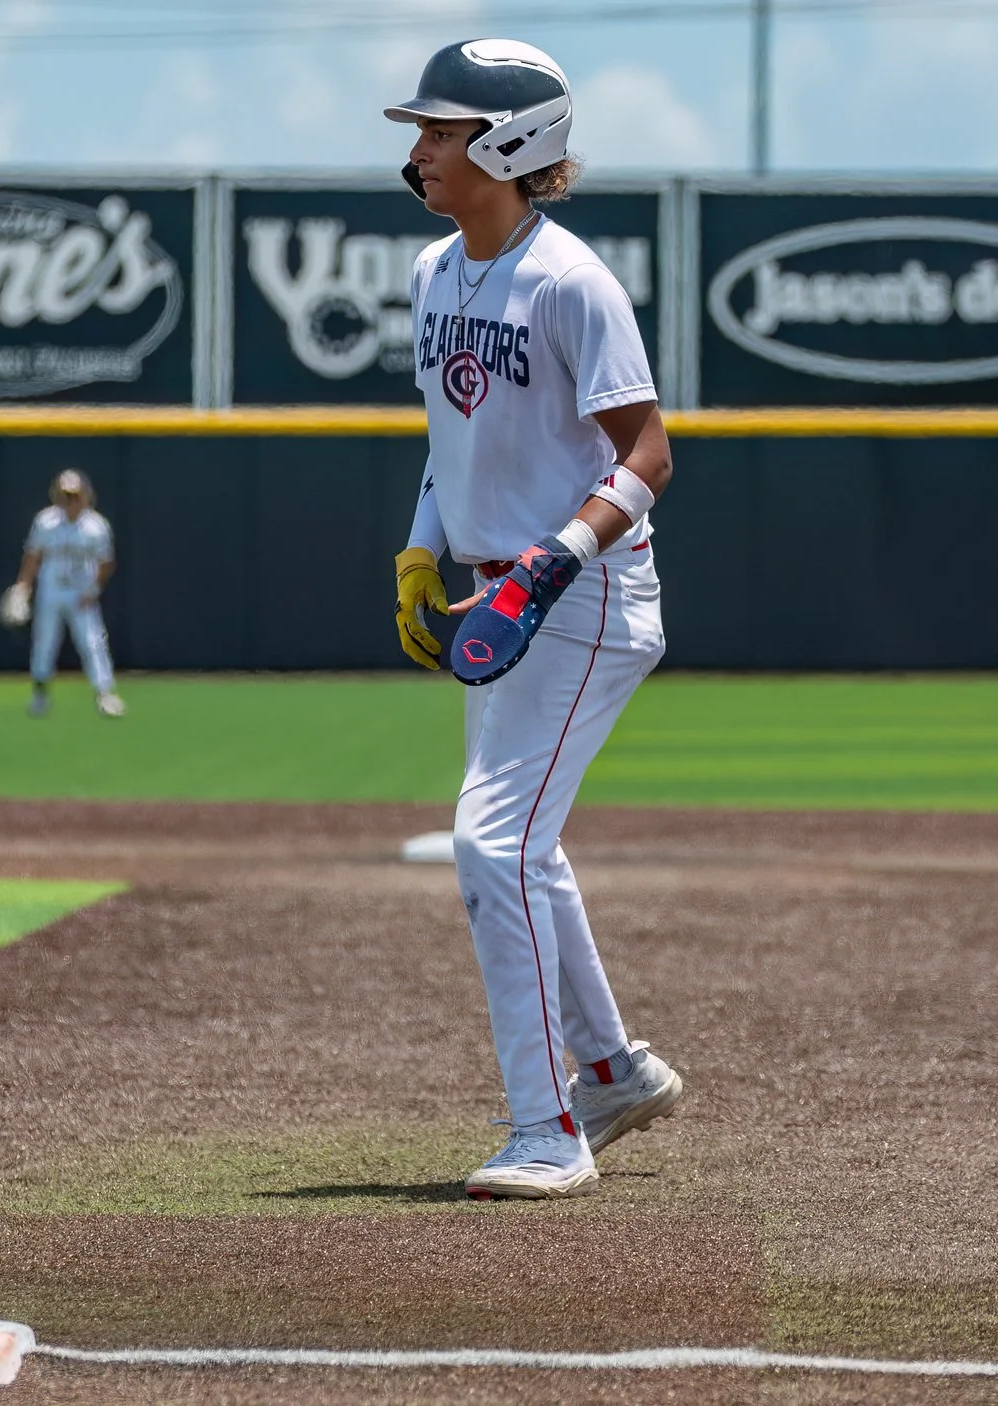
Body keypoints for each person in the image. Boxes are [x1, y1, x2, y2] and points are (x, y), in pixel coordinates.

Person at [386, 39, 685, 1200]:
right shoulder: (434, 271)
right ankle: (611, 1072)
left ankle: (546, 1129)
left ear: (510, 145)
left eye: (441, 131)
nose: (420, 150)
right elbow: (450, 440)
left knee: (491, 843)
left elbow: (647, 455)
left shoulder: (569, 282)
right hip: (495, 595)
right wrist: (423, 548)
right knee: (526, 847)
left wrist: (548, 564)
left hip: (582, 596)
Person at [14, 469, 125, 719]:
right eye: (64, 495)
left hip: (81, 592)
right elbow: (33, 556)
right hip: (51, 589)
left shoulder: (96, 526)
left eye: (75, 495)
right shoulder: (45, 521)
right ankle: (40, 694)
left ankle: (105, 694)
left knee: (93, 642)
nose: (70, 500)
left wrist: (93, 590)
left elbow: (106, 563)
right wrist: (23, 586)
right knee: (44, 642)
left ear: (85, 495)